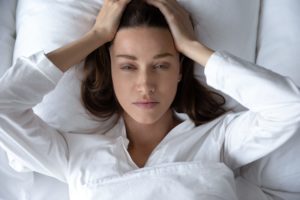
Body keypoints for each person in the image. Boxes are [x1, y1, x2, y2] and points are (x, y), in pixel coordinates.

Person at [0, 0, 299, 199]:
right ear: (111, 71)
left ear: (180, 70)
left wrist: (192, 46)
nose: (145, 85)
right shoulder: (75, 154)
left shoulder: (217, 140)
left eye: (161, 65)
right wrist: (96, 36)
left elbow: (288, 106)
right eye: (128, 66)